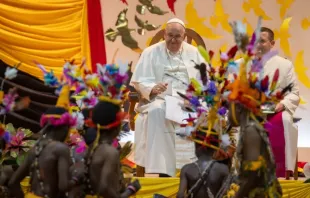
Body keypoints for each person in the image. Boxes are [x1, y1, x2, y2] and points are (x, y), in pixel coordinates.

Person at [130, 18, 205, 177]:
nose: (173, 40)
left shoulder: (194, 52)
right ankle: (163, 171)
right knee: (158, 110)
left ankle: (197, 171)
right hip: (160, 99)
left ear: (184, 37)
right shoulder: (150, 52)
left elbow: (205, 81)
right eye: (169, 35)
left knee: (205, 113)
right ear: (164, 34)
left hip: (188, 100)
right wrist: (151, 88)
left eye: (177, 36)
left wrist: (193, 95)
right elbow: (139, 80)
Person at [235, 27, 300, 177]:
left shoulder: (285, 65)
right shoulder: (240, 64)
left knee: (284, 120)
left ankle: (279, 175)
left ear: (272, 43)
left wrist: (282, 104)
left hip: (275, 110)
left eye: (262, 41)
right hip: (248, 111)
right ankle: (246, 174)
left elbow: (294, 93)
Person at [8, 85, 81, 198]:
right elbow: (63, 186)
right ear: (64, 127)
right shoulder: (61, 149)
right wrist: (77, 179)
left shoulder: (35, 148)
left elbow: (12, 182)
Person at [84, 100, 140, 198]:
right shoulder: (110, 152)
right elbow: (104, 188)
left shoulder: (93, 147)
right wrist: (131, 190)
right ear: (117, 126)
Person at [177, 129, 229, 198]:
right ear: (215, 149)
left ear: (196, 147)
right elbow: (226, 194)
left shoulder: (186, 169)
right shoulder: (223, 169)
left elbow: (180, 196)